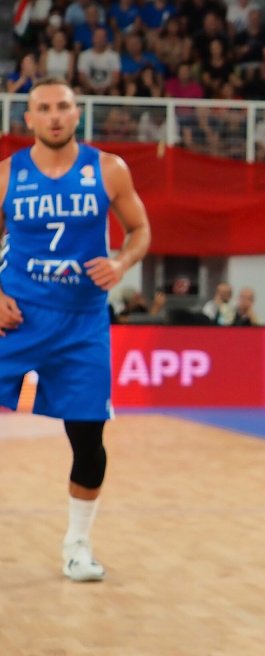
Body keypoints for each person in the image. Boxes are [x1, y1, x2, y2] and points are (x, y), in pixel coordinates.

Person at [0, 77, 151, 581]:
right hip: (16, 317)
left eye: (62, 106)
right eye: (44, 108)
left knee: (88, 438)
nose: (54, 116)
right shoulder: (7, 174)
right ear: (29, 118)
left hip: (82, 323)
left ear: (77, 113)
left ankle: (77, 546)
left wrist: (122, 262)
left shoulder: (108, 169)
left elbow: (141, 229)